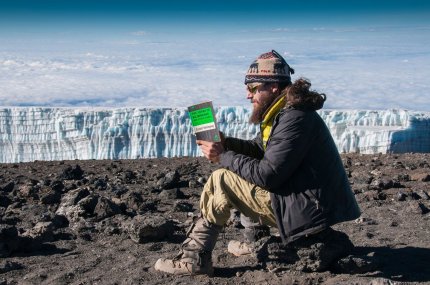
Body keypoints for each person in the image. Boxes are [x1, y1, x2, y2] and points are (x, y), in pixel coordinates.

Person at [154, 50, 361, 276]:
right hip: (307, 203)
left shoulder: (294, 119)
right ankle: (258, 243)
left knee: (222, 179)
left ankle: (194, 259)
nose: (248, 95)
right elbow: (260, 151)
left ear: (273, 87)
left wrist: (223, 156)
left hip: (310, 209)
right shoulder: (285, 113)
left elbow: (268, 175)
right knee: (242, 168)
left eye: (253, 88)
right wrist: (227, 143)